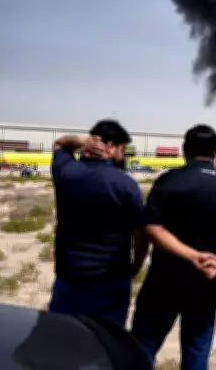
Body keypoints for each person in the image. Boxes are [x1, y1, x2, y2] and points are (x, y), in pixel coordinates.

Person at [131, 124, 216, 370]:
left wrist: (191, 256)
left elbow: (151, 229)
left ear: (184, 150)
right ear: (215, 152)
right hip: (208, 283)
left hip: (164, 282)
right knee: (196, 350)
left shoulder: (168, 182)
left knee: (142, 347)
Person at [48, 120, 147, 326]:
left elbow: (59, 144)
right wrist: (135, 266)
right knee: (106, 339)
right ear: (110, 146)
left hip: (70, 275)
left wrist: (80, 141)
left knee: (62, 336)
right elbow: (141, 233)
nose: (123, 156)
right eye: (122, 149)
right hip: (111, 279)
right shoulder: (126, 185)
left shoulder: (66, 172)